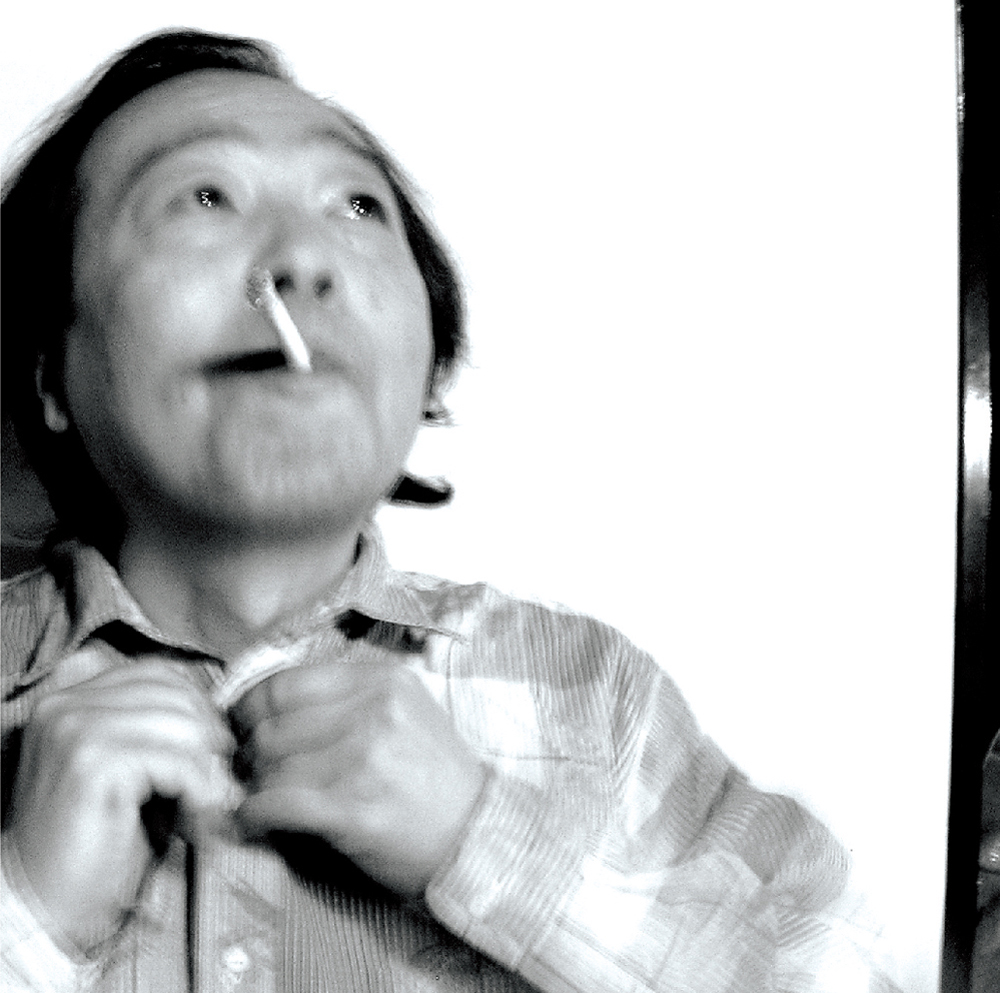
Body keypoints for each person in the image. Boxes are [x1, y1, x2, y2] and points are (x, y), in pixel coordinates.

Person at [1, 28, 900, 993]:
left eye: (357, 206)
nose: (301, 260)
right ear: (50, 371)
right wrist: (25, 917)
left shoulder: (592, 703)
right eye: (204, 197)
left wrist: (488, 843)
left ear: (426, 364)